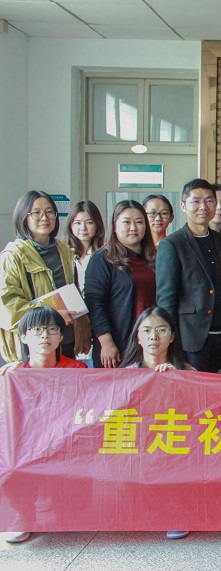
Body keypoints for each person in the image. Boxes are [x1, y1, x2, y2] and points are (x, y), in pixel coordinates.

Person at [0, 305, 85, 545]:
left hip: (66, 441)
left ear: (61, 337)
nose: (45, 335)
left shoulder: (77, 370)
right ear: (24, 337)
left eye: (51, 329)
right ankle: (21, 515)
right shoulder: (15, 374)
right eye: (37, 330)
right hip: (26, 445)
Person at [156, 178, 221, 372]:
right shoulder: (172, 244)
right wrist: (171, 341)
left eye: (209, 201)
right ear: (183, 206)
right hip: (191, 338)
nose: (203, 207)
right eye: (196, 201)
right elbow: (166, 298)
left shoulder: (220, 241)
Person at [0, 190, 76, 363]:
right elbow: (7, 307)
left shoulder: (64, 251)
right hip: (32, 348)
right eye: (36, 213)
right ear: (23, 217)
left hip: (65, 341)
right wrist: (51, 315)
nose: (44, 218)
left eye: (49, 212)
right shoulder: (13, 256)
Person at [84, 200, 157, 368]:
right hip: (117, 344)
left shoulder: (154, 258)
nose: (133, 227)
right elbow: (95, 305)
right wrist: (106, 342)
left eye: (139, 222)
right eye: (126, 222)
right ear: (115, 226)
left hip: (150, 343)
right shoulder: (103, 259)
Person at [65, 200, 105, 363]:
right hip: (70, 321)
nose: (83, 228)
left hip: (96, 318)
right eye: (77, 223)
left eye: (89, 222)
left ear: (97, 225)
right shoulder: (63, 254)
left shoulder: (104, 255)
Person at [118, 306, 193, 372]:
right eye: (147, 330)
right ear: (138, 338)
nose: (153, 337)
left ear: (172, 337)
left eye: (161, 330)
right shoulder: (128, 374)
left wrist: (177, 377)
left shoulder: (187, 372)